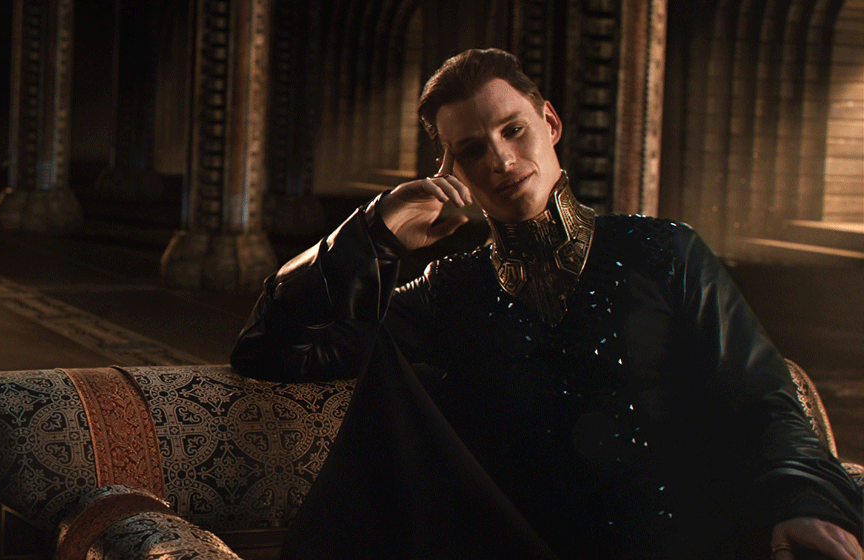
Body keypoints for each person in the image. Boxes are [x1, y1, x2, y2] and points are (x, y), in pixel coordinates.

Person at [232, 48, 863, 559]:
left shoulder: (664, 253)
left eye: (513, 130)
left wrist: (804, 503)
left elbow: (762, 396)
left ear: (550, 124)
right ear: (449, 169)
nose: (502, 159)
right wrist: (376, 229)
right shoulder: (451, 290)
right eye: (472, 149)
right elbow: (274, 351)